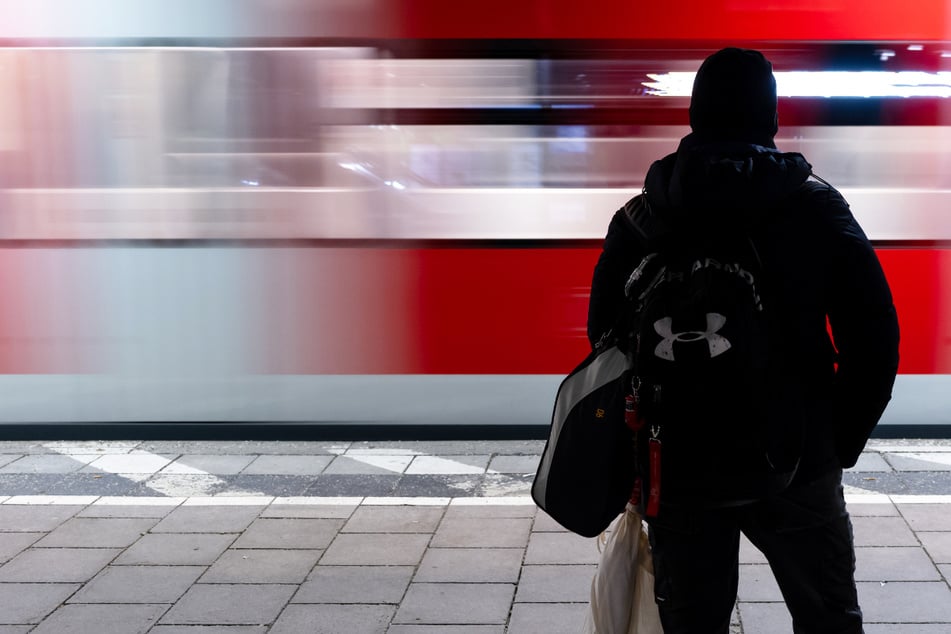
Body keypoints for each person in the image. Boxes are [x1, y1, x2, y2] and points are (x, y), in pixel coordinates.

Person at [586, 48, 900, 634]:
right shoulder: (816, 209)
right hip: (798, 454)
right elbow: (875, 338)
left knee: (694, 624)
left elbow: (604, 338)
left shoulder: (640, 216)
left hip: (677, 459)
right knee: (828, 617)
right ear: (771, 117)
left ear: (695, 115)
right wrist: (834, 445)